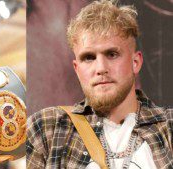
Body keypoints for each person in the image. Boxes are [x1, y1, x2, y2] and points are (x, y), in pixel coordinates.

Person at [26, 0, 173, 169]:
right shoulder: (46, 129)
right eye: (88, 58)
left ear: (136, 62)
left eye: (112, 54)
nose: (101, 68)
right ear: (77, 68)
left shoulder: (168, 127)